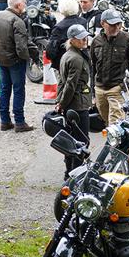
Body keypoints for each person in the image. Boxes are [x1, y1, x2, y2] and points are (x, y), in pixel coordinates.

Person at [0, 0, 34, 132]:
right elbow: (22, 47)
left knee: (5, 88)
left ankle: (5, 121)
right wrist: (27, 59)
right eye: (24, 2)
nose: (25, 5)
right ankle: (20, 122)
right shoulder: (18, 21)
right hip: (15, 62)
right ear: (18, 5)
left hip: (1, 59)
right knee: (18, 90)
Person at [91, 9, 129, 125]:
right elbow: (93, 67)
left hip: (117, 89)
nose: (116, 27)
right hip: (99, 89)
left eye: (118, 24)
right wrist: (93, 93)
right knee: (106, 122)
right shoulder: (96, 41)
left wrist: (124, 86)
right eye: (112, 24)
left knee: (116, 126)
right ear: (102, 24)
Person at [56, 24, 92, 175]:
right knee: (81, 142)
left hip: (72, 104)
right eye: (80, 38)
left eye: (85, 36)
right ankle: (75, 173)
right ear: (72, 40)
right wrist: (62, 103)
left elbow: (62, 83)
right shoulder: (76, 58)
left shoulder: (68, 55)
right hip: (77, 105)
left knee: (70, 140)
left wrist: (59, 102)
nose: (84, 39)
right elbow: (70, 85)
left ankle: (69, 171)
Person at [47, 0, 86, 70]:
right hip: (83, 61)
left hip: (65, 64)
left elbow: (51, 52)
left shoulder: (59, 27)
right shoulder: (83, 22)